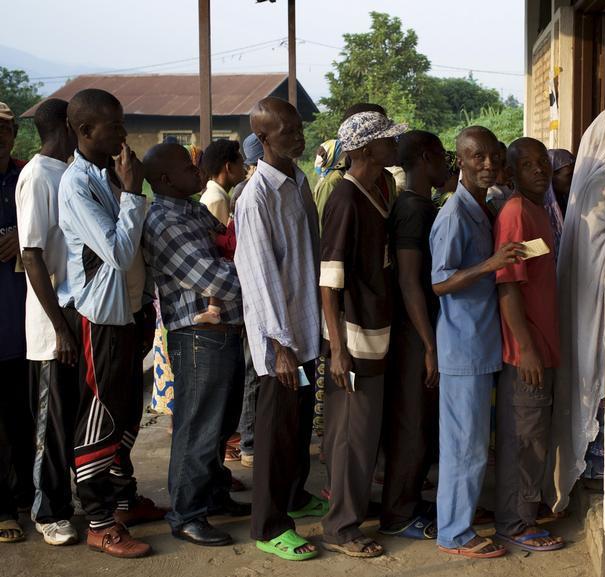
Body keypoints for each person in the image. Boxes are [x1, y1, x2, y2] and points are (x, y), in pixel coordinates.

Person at [57, 89, 156, 557]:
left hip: (131, 311)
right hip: (103, 317)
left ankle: (122, 500)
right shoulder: (76, 184)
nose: (123, 133)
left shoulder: (109, 174)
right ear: (85, 131)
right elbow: (117, 252)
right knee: (101, 416)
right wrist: (134, 192)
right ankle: (99, 521)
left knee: (128, 411)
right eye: (114, 126)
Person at [142, 142, 250, 547]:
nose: (196, 170)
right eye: (186, 168)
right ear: (165, 180)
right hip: (199, 336)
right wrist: (252, 270)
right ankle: (187, 513)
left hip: (220, 330)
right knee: (198, 427)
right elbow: (217, 278)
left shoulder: (189, 210)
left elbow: (225, 246)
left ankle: (213, 494)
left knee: (220, 424)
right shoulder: (164, 222)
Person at [234, 97, 324, 561]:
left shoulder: (299, 180)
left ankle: (293, 495)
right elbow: (259, 275)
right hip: (281, 342)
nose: (298, 134)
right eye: (287, 130)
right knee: (274, 433)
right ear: (263, 139)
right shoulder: (257, 198)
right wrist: (279, 347)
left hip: (306, 331)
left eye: (298, 126)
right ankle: (269, 526)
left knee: (298, 424)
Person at [429, 126, 523, 559]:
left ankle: (459, 517)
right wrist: (491, 264)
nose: (487, 165)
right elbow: (440, 282)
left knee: (471, 443)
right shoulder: (452, 216)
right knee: (463, 445)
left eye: (492, 157)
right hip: (462, 347)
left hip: (480, 343)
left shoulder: (484, 206)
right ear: (461, 160)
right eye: (477, 157)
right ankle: (454, 532)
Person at [319, 110, 407, 558]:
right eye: (388, 140)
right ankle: (341, 527)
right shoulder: (346, 201)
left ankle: (346, 510)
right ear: (367, 149)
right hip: (353, 336)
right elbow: (329, 281)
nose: (395, 147)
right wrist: (336, 349)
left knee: (356, 432)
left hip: (374, 329)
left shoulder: (377, 190)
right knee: (353, 434)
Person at [493, 137, 565, 552]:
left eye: (543, 163)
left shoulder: (540, 209)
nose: (539, 170)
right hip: (528, 352)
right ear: (512, 173)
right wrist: (527, 348)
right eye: (528, 165)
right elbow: (508, 288)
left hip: (543, 345)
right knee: (525, 438)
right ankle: (516, 523)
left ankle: (524, 511)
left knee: (534, 435)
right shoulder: (517, 213)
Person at [15, 98, 80, 546]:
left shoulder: (68, 171)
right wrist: (58, 326)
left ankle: (66, 500)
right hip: (52, 326)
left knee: (71, 419)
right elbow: (31, 254)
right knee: (51, 424)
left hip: (75, 316)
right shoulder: (38, 175)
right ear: (65, 124)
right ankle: (48, 510)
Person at [379, 131, 449, 540]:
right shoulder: (410, 209)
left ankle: (407, 501)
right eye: (443, 156)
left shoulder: (424, 205)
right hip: (413, 333)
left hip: (424, 329)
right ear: (425, 158)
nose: (447, 165)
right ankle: (398, 513)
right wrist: (427, 344)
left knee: (422, 423)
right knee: (411, 424)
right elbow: (408, 280)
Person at [544, 107, 605, 514]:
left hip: (592, 293)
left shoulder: (588, 183)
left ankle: (592, 461)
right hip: (596, 295)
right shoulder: (601, 184)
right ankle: (593, 463)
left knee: (590, 370)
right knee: (594, 371)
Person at [0, 101, 30, 544]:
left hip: (26, 320)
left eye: (7, 128)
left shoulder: (25, 174)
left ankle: (27, 492)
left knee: (23, 413)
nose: (2, 136)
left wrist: (21, 238)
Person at [312, 103, 397, 225]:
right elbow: (326, 233)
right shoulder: (335, 184)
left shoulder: (387, 179)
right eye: (387, 138)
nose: (395, 144)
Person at [195, 139, 246, 325]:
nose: (245, 169)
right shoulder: (217, 199)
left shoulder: (218, 195)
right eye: (241, 163)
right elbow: (219, 249)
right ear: (228, 167)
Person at [199, 139, 246, 225]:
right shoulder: (218, 200)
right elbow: (225, 237)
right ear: (229, 167)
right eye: (242, 165)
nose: (245, 171)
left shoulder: (215, 195)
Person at [486, 141, 514, 216]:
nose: (507, 167)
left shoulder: (515, 184)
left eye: (508, 161)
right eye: (502, 163)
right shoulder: (490, 198)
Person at [548, 148, 576, 217]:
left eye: (576, 173)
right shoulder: (543, 208)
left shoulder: (569, 200)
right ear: (551, 177)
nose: (574, 178)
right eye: (569, 174)